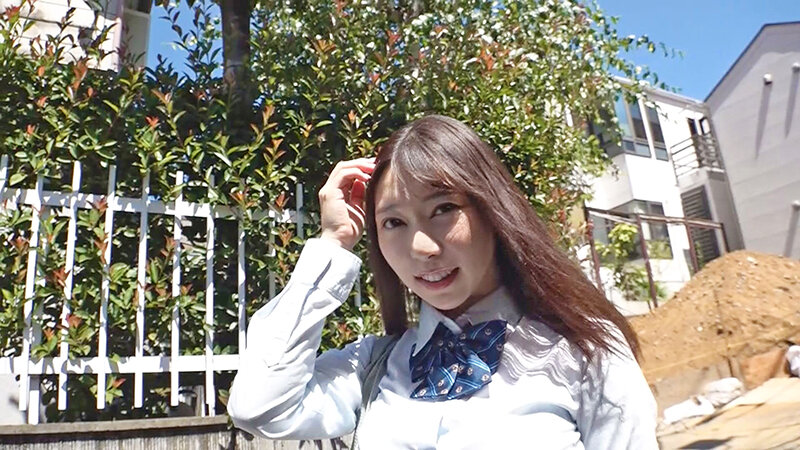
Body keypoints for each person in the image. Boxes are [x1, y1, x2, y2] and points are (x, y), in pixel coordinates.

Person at [228, 115, 658, 449]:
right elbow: (260, 407)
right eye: (393, 222)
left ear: (492, 209)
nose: (421, 247)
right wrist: (333, 242)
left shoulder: (586, 350)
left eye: (443, 209)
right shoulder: (374, 364)